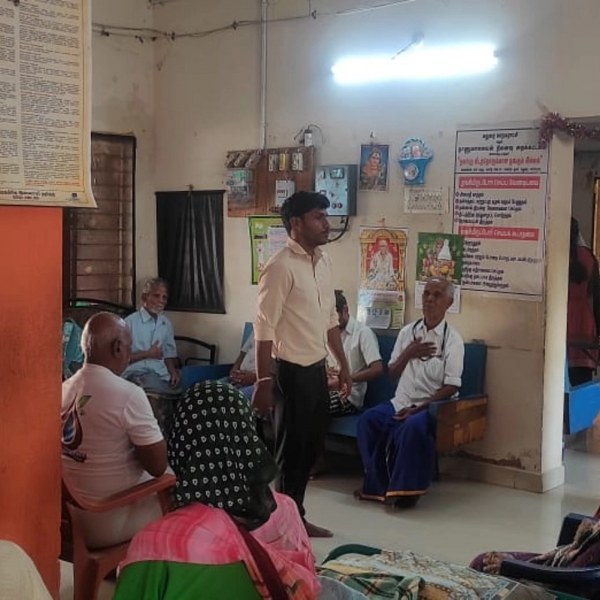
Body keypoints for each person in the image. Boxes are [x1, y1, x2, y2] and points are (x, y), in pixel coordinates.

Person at [113, 381, 326, 599]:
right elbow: (308, 586)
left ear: (179, 445)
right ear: (249, 441)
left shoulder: (154, 543)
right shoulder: (286, 512)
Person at [253, 191, 352, 538]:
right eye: (318, 217)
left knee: (310, 449)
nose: (326, 224)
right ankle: (281, 526)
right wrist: (263, 382)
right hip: (290, 372)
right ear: (296, 223)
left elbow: (330, 320)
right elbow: (264, 327)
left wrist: (343, 365)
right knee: (290, 453)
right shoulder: (279, 266)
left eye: (326, 216)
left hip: (317, 370)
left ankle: (295, 517)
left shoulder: (323, 262)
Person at [61, 312, 168, 548]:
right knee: (176, 485)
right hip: (108, 519)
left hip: (69, 519)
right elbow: (158, 466)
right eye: (130, 346)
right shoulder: (128, 394)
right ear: (118, 347)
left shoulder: (64, 389)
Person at [356, 277, 464, 508]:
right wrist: (409, 352)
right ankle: (377, 486)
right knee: (368, 420)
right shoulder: (408, 332)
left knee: (412, 427)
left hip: (431, 407)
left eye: (437, 295)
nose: (430, 299)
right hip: (400, 401)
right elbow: (392, 373)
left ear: (449, 302)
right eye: (426, 294)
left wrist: (419, 408)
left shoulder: (453, 340)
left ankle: (406, 491)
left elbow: (452, 386)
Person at [122, 277, 182, 397]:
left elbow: (168, 354)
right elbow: (120, 359)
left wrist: (173, 372)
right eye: (156, 296)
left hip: (160, 373)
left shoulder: (166, 323)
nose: (161, 301)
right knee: (148, 386)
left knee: (184, 384)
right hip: (136, 373)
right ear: (144, 297)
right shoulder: (129, 323)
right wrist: (147, 354)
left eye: (164, 297)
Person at [328, 290, 383, 416]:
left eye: (333, 316)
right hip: (327, 388)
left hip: (349, 396)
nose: (331, 321)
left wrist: (346, 379)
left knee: (315, 406)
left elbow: (377, 369)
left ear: (345, 310)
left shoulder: (363, 333)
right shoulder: (328, 333)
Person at [567, 217, 600, 385]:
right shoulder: (589, 258)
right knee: (582, 386)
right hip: (585, 325)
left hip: (562, 322)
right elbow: (597, 298)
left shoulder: (557, 255)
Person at [227, 329, 257, 400]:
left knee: (232, 398)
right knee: (211, 389)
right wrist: (234, 370)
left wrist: (254, 378)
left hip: (257, 383)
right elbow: (242, 353)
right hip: (238, 376)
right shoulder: (256, 330)